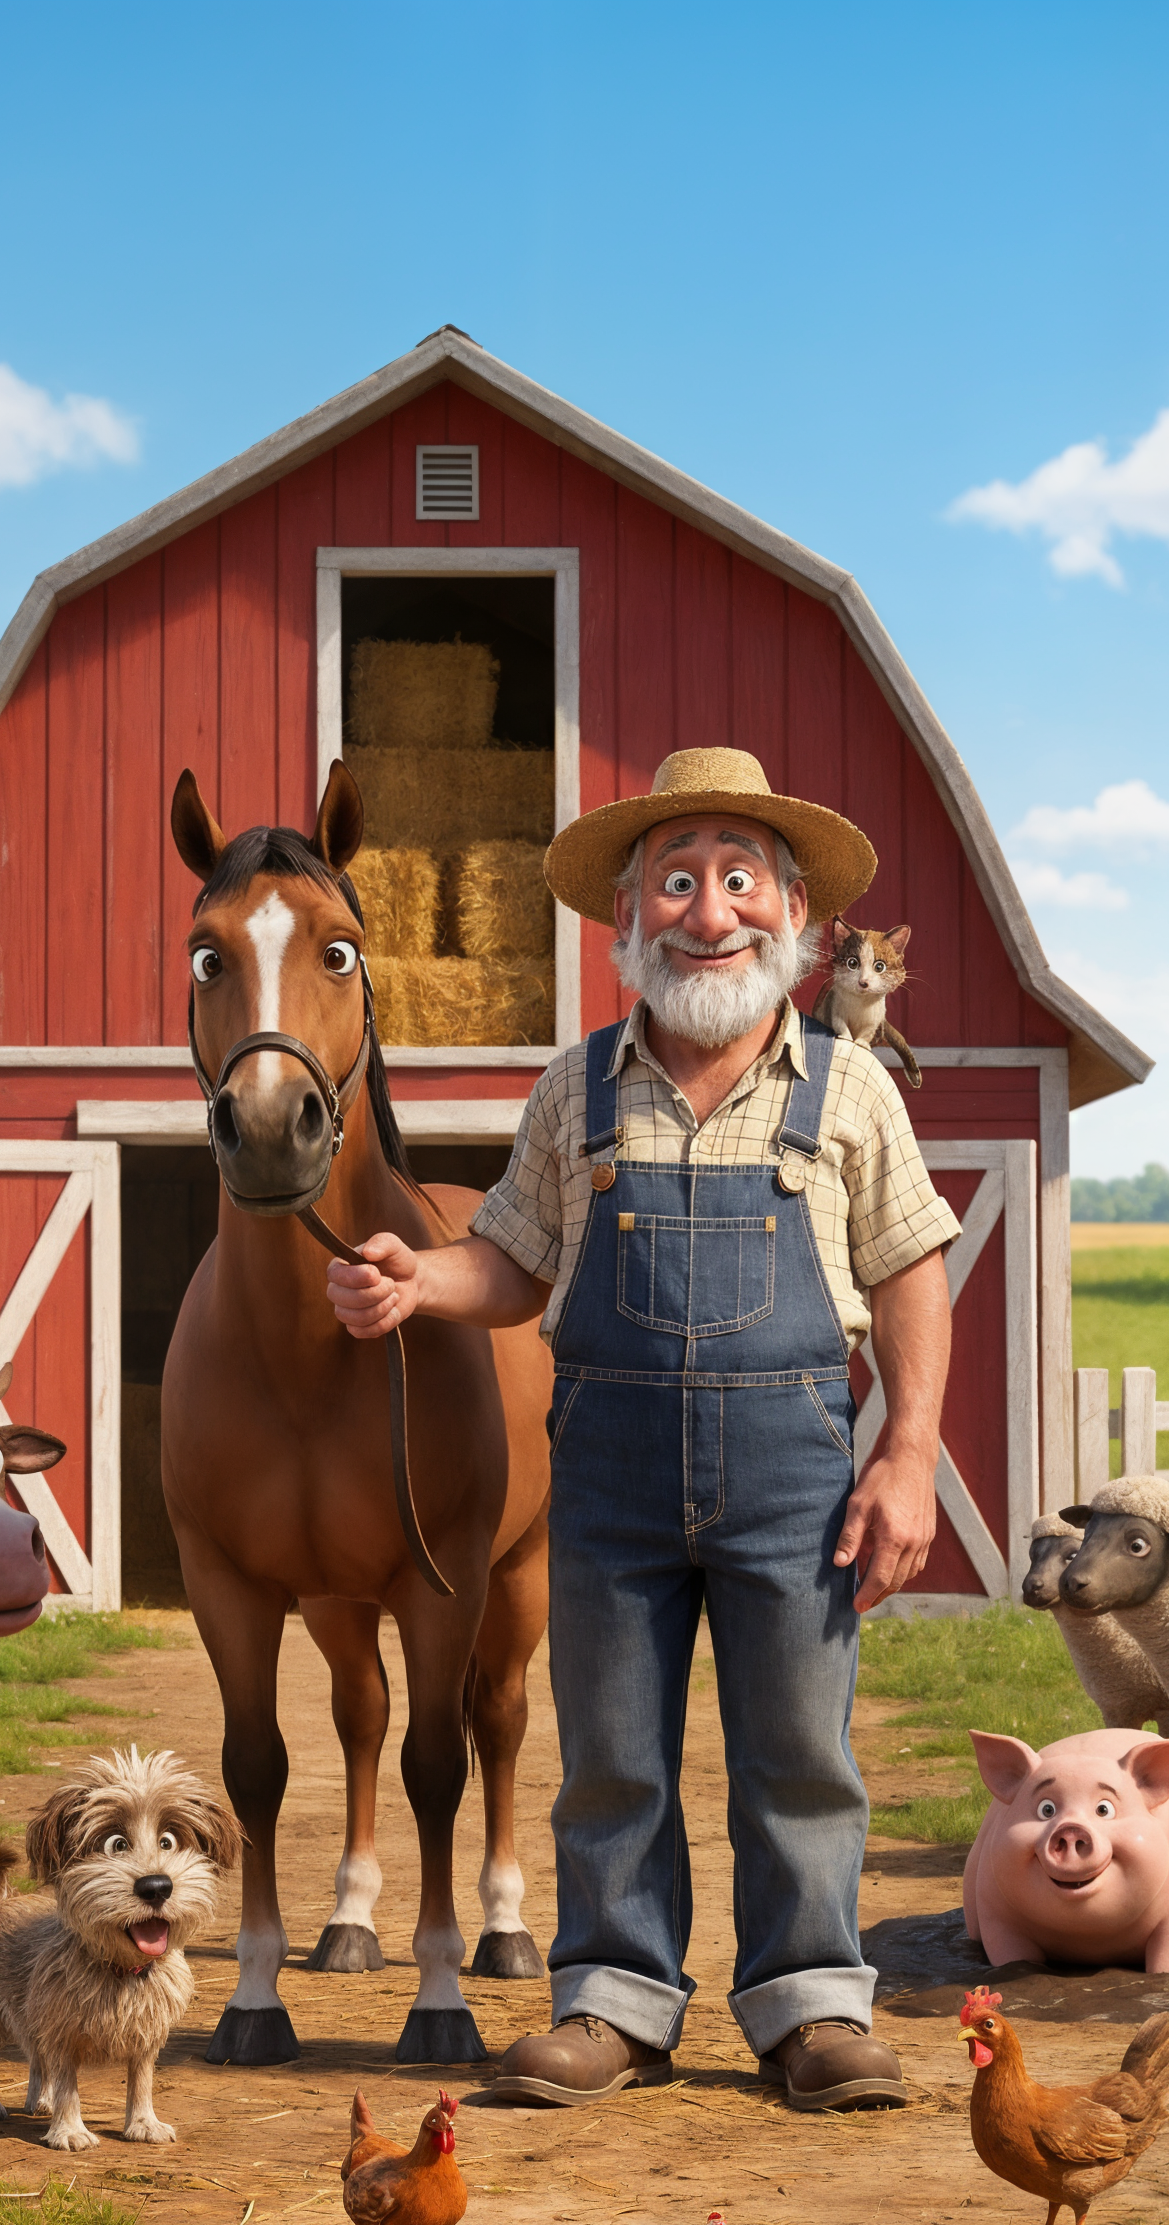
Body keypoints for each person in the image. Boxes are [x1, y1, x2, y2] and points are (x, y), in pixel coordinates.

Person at [325, 747, 961, 2111]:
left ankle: (811, 2009)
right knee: (611, 1753)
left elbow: (911, 1268)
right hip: (605, 1479)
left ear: (796, 915)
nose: (709, 909)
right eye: (677, 881)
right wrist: (416, 1279)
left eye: (740, 878)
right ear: (630, 919)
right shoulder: (579, 1087)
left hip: (797, 1477)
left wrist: (906, 1457)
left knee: (799, 1751)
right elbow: (514, 1261)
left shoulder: (849, 1092)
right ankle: (614, 2003)